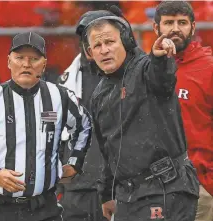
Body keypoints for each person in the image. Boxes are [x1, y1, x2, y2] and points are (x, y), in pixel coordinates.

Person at [0, 32, 92, 221]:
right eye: (19, 58)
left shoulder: (61, 97)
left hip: (45, 208)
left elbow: (85, 126)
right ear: (9, 62)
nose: (26, 64)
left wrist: (75, 162)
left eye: (34, 59)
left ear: (44, 64)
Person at [83, 10, 199, 221]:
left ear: (126, 42)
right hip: (128, 197)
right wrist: (107, 193)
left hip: (167, 188)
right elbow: (107, 149)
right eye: (98, 46)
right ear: (90, 52)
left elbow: (162, 78)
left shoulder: (147, 67)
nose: (104, 50)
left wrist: (159, 59)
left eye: (110, 42)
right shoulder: (99, 94)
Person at [153, 1, 213, 221]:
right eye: (168, 22)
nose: (175, 28)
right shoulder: (143, 69)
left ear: (194, 28)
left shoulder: (209, 68)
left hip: (200, 187)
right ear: (155, 28)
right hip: (151, 189)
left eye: (182, 23)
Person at [56, 10, 112, 221]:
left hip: (117, 190)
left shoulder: (131, 77)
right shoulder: (64, 83)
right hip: (76, 191)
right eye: (88, 36)